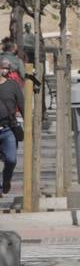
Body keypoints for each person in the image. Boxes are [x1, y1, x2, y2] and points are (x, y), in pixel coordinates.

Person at [0, 62, 23, 196]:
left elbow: (22, 104)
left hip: (8, 129)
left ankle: (6, 179)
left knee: (11, 159)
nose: (5, 70)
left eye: (6, 68)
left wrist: (29, 125)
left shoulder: (12, 85)